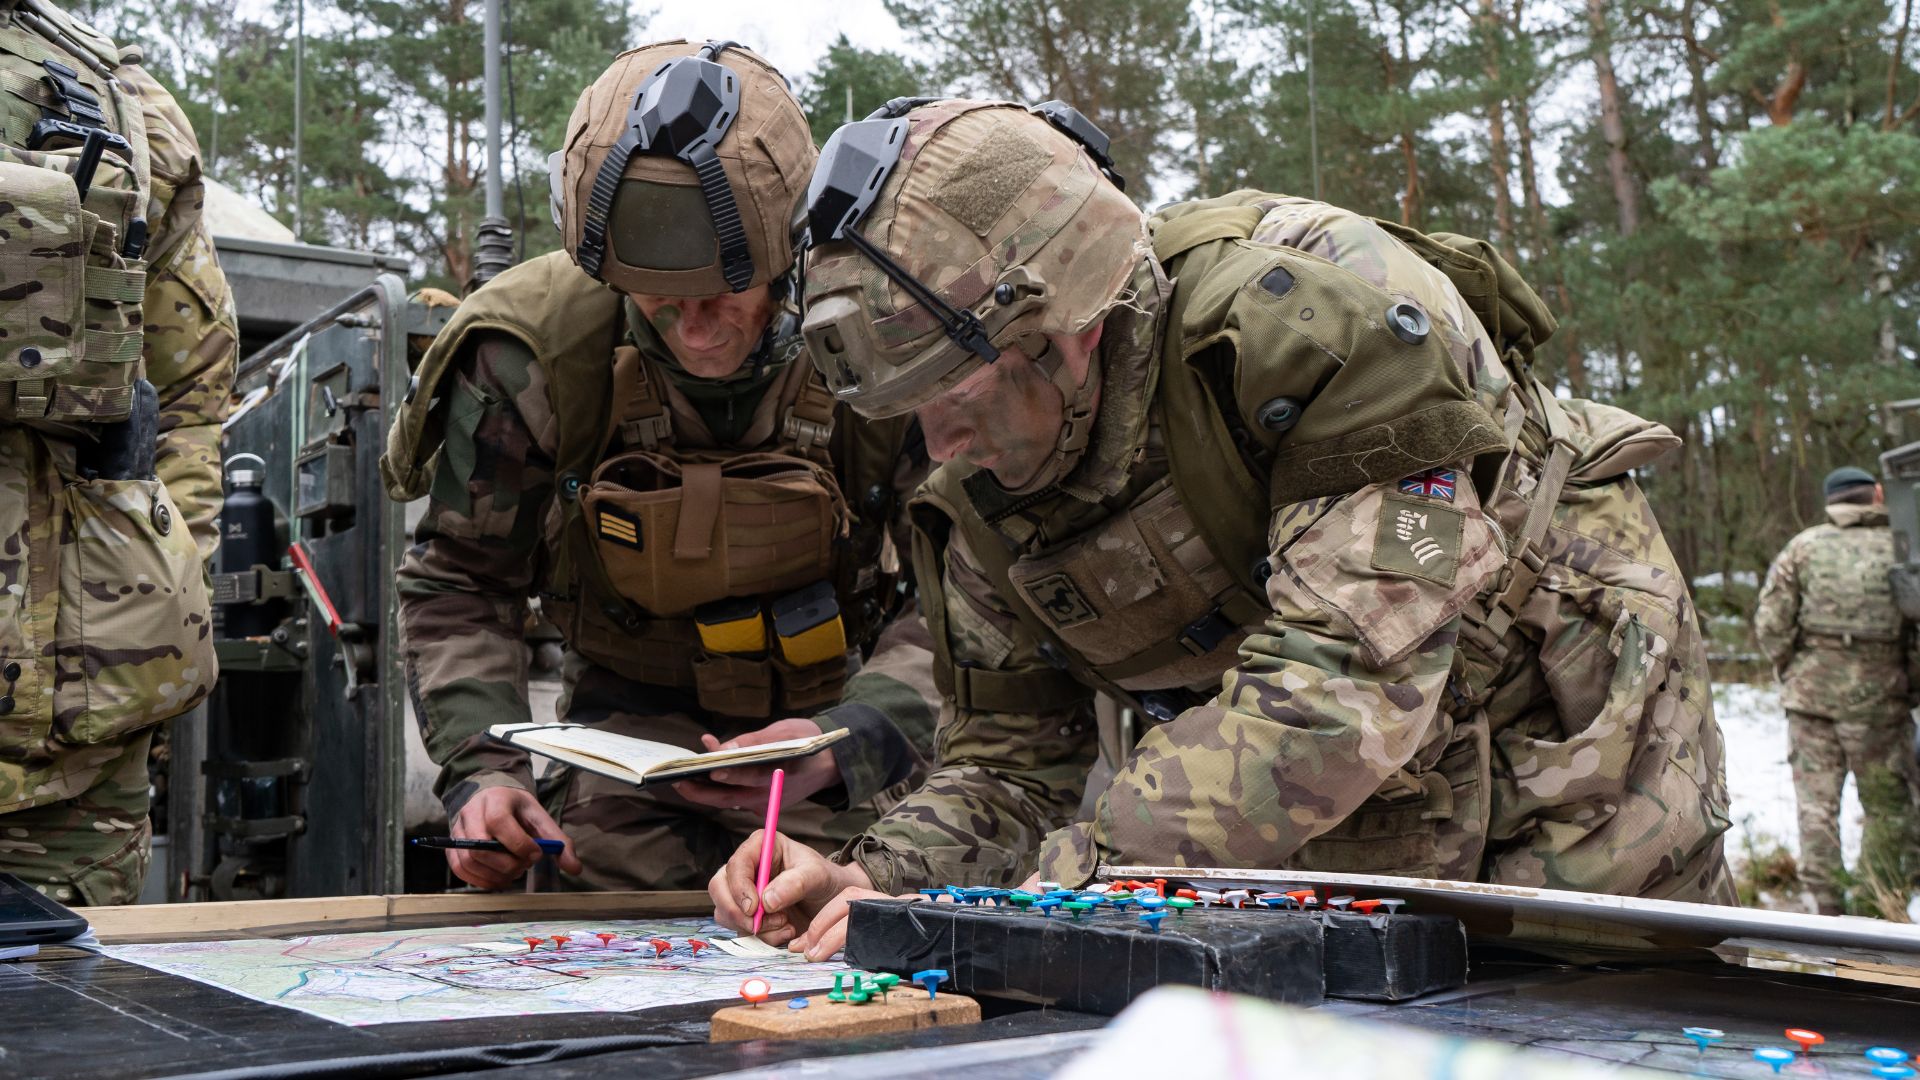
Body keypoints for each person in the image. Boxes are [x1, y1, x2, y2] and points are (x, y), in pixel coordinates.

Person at [710, 98, 1733, 957]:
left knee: (1609, 1006)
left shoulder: (1317, 319)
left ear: (1065, 331)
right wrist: (878, 873)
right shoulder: (977, 471)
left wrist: (1063, 881)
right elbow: (1017, 760)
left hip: (1553, 708)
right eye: (909, 409)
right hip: (1280, 777)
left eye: (957, 393)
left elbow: (1340, 691)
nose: (939, 443)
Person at [382, 40, 937, 893]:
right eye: (661, 300)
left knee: (852, 939)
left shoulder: (879, 335)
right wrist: (486, 772)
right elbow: (462, 583)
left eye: (724, 294)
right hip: (621, 748)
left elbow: (965, 595)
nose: (698, 330)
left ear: (790, 250)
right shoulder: (533, 355)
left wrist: (857, 737)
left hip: (837, 739)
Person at [0, 0, 236, 904]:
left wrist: (156, 615)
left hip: (71, 762)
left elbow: (188, 401)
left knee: (80, 1032)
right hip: (77, 719)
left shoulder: (122, 104)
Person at [1754, 466, 1920, 916]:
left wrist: (1794, 669)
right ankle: (1877, 905)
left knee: (1817, 808)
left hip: (1810, 702)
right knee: (1888, 807)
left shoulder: (1802, 548)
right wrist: (1906, 682)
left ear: (1832, 501)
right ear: (1876, 497)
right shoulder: (1903, 548)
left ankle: (1824, 907)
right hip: (1881, 703)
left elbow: (1771, 625)